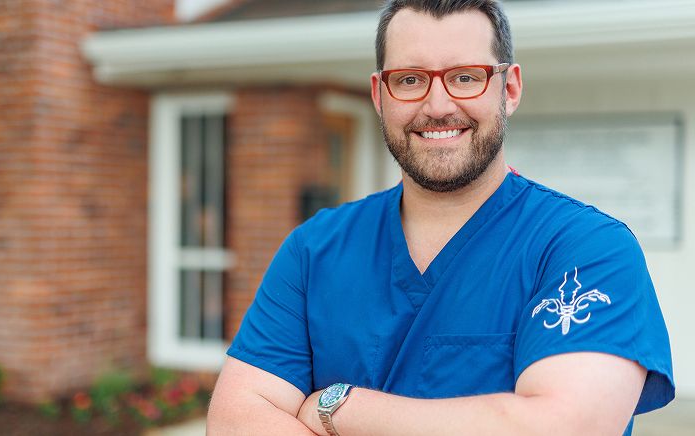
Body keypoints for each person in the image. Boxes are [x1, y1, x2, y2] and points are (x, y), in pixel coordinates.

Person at [207, 0, 675, 434]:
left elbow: (561, 427)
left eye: (466, 77)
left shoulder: (584, 248)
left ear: (508, 89)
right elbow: (234, 421)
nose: (437, 106)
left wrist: (340, 407)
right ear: (380, 94)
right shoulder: (315, 249)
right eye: (410, 79)